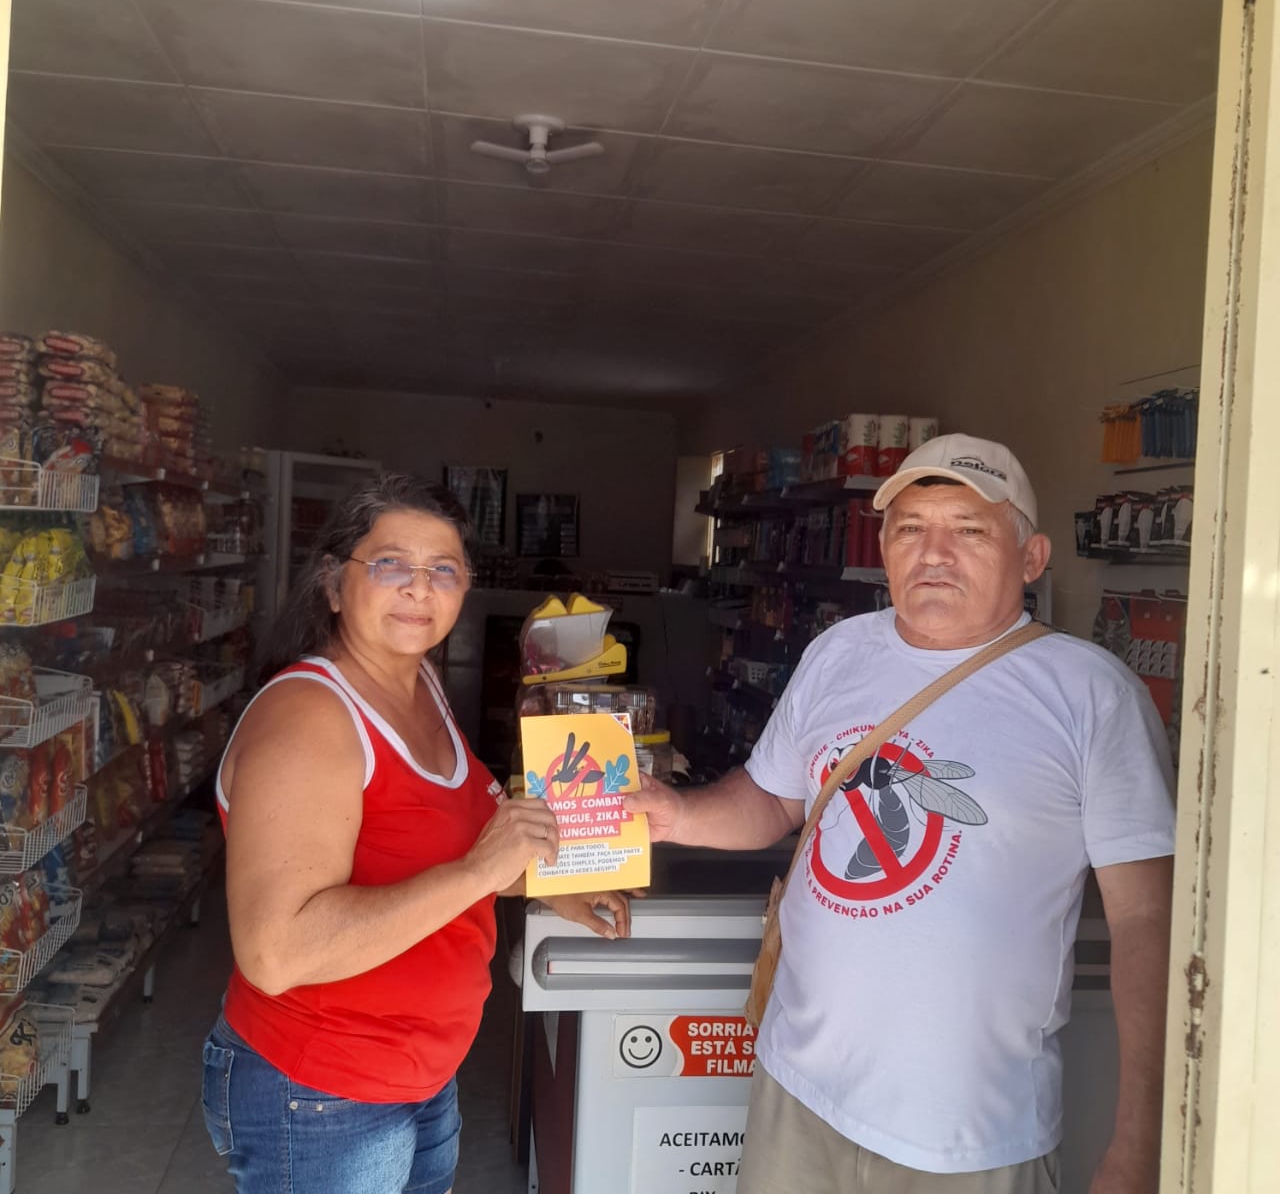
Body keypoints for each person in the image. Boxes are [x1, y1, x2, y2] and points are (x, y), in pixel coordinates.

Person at [628, 433, 1175, 1194]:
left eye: (971, 529)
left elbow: (1149, 922)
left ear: (1033, 557)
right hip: (797, 1092)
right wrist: (674, 814)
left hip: (968, 1136)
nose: (935, 553)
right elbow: (774, 798)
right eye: (911, 528)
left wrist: (1144, 1137)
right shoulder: (837, 653)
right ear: (883, 546)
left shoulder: (1091, 694)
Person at [201, 474, 631, 1194]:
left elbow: (447, 845)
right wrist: (478, 874)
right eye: (391, 564)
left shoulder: (419, 684)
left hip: (420, 1074)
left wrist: (549, 886)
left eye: (443, 571)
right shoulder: (310, 717)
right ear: (336, 585)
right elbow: (277, 952)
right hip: (321, 1090)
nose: (419, 589)